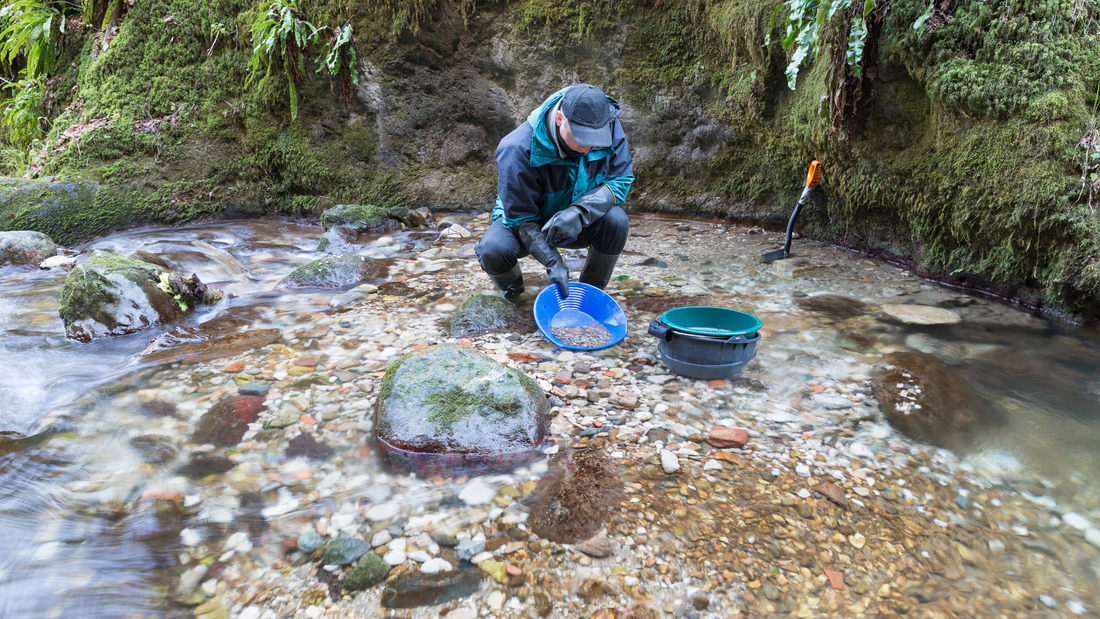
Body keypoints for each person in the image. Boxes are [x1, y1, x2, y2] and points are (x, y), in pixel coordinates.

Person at [476, 84, 634, 302]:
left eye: (595, 140)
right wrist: (553, 262)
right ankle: (514, 299)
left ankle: (589, 296)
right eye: (581, 138)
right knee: (492, 249)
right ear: (560, 119)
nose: (588, 148)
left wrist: (579, 212)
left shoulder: (607, 122)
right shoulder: (516, 148)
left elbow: (621, 179)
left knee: (617, 221)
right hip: (528, 224)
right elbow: (521, 218)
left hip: (579, 222)